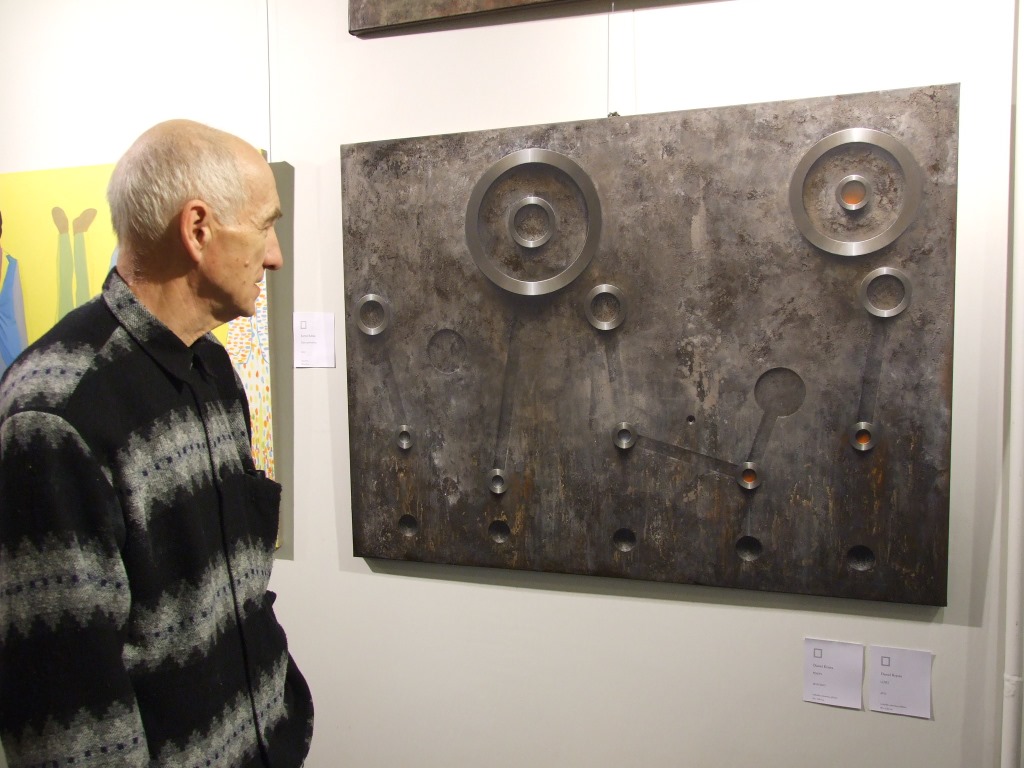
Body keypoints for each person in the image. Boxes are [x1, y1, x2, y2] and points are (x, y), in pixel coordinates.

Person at [0, 121, 313, 767]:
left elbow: (237, 587)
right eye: (264, 227)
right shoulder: (56, 416)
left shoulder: (212, 369)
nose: (275, 255)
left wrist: (285, 716)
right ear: (198, 230)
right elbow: (69, 721)